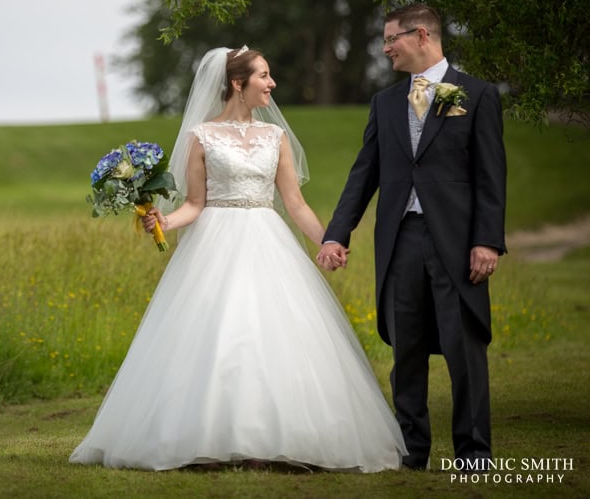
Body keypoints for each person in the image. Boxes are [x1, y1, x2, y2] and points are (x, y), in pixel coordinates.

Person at [69, 46, 406, 472]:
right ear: (237, 83)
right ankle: (208, 438)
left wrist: (330, 241)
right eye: (264, 76)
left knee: (273, 334)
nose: (272, 84)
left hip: (268, 240)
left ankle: (272, 440)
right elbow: (194, 204)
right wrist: (163, 222)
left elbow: (296, 203)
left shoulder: (275, 138)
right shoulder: (201, 136)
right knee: (219, 334)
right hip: (214, 241)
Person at [316, 3, 507, 470]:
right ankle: (411, 450)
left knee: (464, 350)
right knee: (407, 349)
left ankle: (474, 454)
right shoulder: (384, 103)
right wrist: (336, 234)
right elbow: (364, 175)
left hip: (458, 243)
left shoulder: (476, 95)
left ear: (422, 35)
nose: (385, 49)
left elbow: (490, 175)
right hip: (400, 240)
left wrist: (487, 240)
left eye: (391, 39)